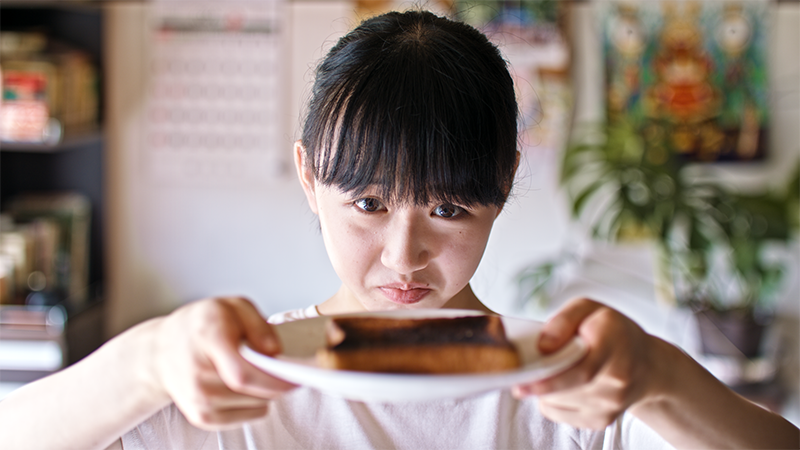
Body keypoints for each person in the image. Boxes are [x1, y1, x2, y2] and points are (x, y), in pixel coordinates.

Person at [2, 10, 798, 450]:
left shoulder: (570, 391)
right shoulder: (239, 384)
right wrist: (149, 360)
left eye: (448, 210)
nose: (403, 255)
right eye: (369, 203)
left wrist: (658, 374)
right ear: (310, 176)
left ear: (503, 184)